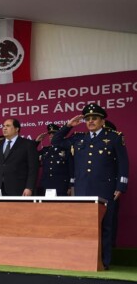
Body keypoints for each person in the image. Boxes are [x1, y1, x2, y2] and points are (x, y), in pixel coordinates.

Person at [52, 103, 129, 269]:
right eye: (87, 119)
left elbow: (123, 163)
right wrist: (68, 126)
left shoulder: (114, 137)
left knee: (105, 226)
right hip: (83, 189)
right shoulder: (79, 138)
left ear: (102, 121)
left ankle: (104, 262)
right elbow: (56, 141)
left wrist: (121, 186)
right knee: (84, 227)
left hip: (106, 188)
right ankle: (83, 259)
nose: (90, 121)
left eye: (94, 118)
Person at [0, 118, 38, 196]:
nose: (4, 128)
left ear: (16, 129)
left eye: (8, 126)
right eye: (3, 126)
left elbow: (33, 169)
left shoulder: (28, 144)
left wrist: (29, 187)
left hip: (19, 188)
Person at [35, 124, 73, 196]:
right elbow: (31, 155)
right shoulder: (45, 150)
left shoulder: (67, 150)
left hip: (61, 186)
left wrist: (70, 186)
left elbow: (71, 169)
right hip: (45, 186)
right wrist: (36, 142)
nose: (51, 136)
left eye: (54, 134)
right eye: (50, 134)